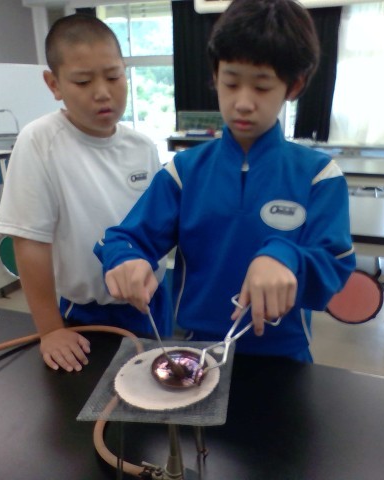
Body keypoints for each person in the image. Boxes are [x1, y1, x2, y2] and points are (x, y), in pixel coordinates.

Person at [94, 0, 355, 362]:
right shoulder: (184, 172)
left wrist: (287, 256)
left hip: (284, 357)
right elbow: (125, 238)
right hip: (196, 351)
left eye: (262, 87)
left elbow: (335, 263)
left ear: (293, 86)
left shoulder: (318, 176)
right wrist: (124, 258)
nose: (243, 103)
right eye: (231, 83)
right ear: (215, 77)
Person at [0, 14, 169, 373]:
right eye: (83, 81)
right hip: (89, 312)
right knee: (93, 394)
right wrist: (50, 330)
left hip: (153, 302)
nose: (102, 92)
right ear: (54, 84)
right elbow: (29, 242)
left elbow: (158, 226)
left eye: (113, 76)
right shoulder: (40, 141)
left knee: (158, 391)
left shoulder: (142, 146)